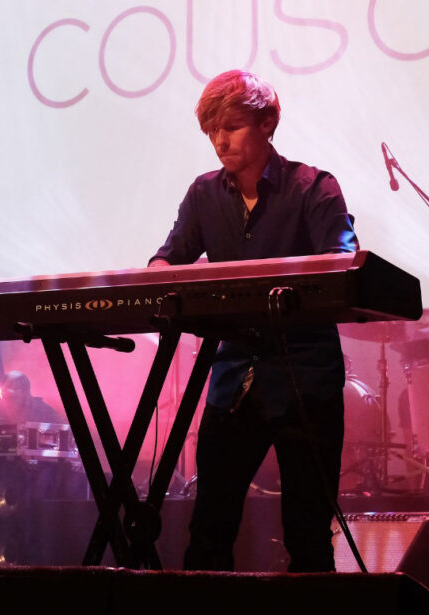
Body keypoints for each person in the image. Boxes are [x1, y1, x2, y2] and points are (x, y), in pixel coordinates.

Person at [149, 71, 358, 572]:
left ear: (268, 123)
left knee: (308, 535)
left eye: (233, 127)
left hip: (305, 379)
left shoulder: (314, 188)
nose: (220, 142)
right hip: (233, 381)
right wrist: (160, 280)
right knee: (209, 532)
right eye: (212, 132)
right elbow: (165, 261)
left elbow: (342, 269)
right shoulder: (203, 195)